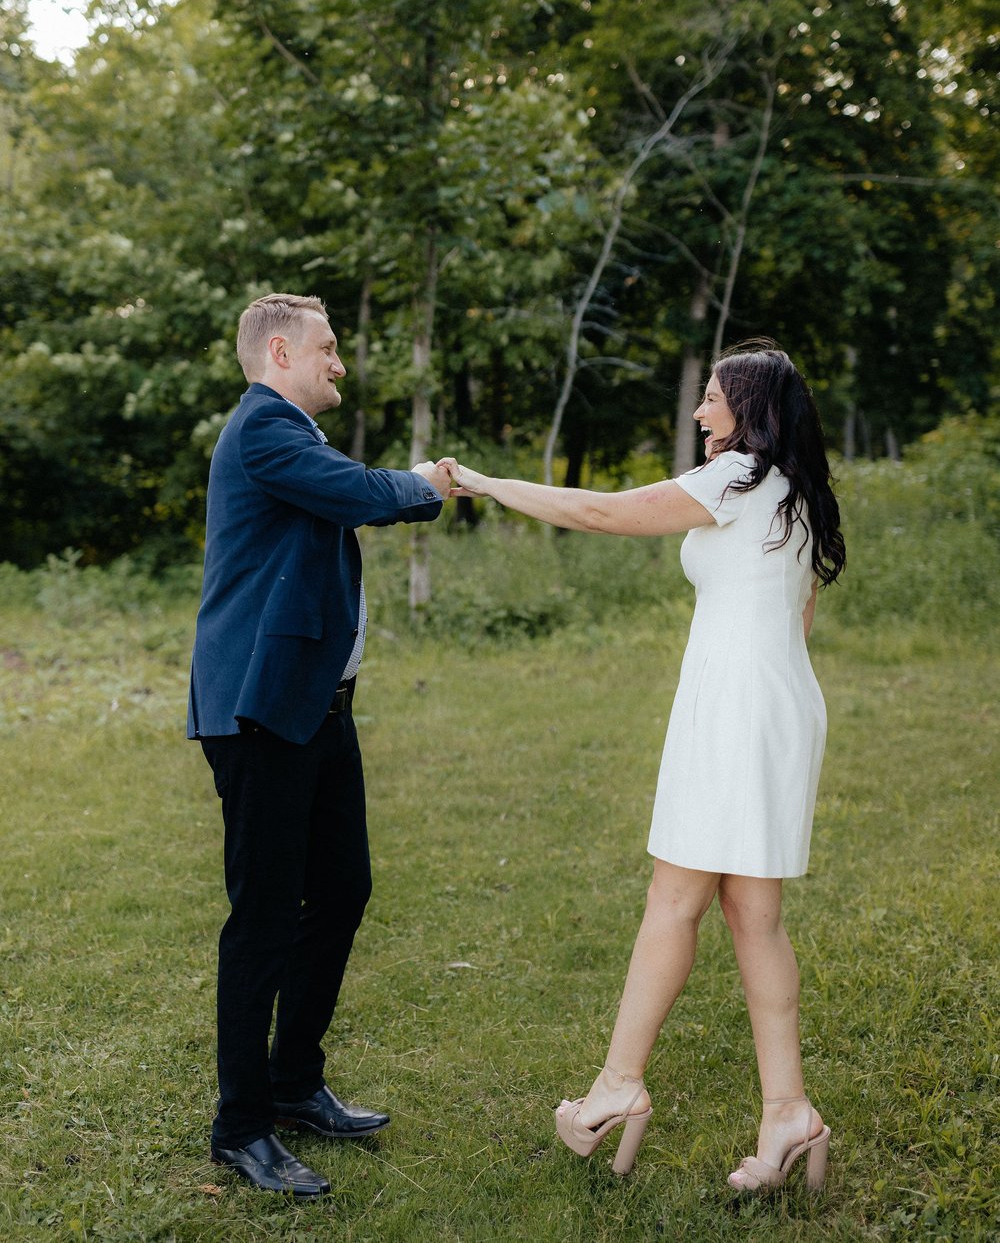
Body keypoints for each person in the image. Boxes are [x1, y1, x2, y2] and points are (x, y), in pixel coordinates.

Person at [439, 339, 845, 1193]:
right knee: (751, 914)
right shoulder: (796, 494)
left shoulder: (737, 480)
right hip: (775, 707)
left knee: (674, 899)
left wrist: (483, 483)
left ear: (753, 409)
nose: (701, 413)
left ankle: (617, 1090)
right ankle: (788, 1114)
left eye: (713, 398)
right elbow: (796, 619)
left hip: (735, 714)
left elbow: (600, 513)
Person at [188, 292, 450, 1198]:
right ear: (279, 351)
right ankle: (241, 1126)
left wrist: (405, 481)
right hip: (260, 713)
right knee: (262, 918)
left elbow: (342, 493)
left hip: (316, 707)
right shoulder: (264, 429)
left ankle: (296, 1083)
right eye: (328, 349)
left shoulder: (295, 437)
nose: (340, 363)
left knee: (342, 888)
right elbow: (361, 495)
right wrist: (427, 483)